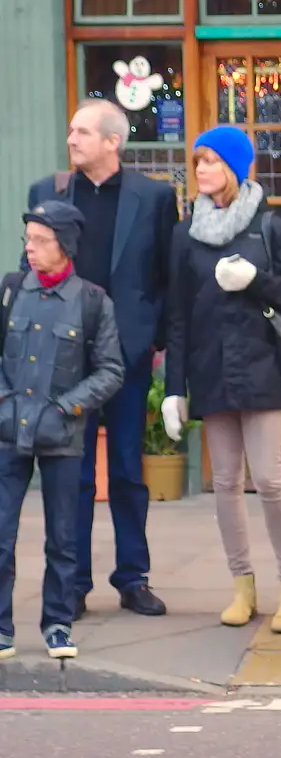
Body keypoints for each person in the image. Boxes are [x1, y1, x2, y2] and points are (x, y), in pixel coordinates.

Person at [28, 99, 177, 620]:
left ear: (113, 141)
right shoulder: (47, 193)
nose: (71, 139)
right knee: (73, 475)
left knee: (129, 472)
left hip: (128, 358)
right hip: (66, 361)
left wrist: (152, 340)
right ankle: (74, 584)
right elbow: (31, 265)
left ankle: (133, 577)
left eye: (83, 132)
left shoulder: (154, 198)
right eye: (70, 130)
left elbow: (166, 277)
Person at [162, 126, 281, 633]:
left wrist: (255, 280)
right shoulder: (185, 235)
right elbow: (177, 316)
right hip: (209, 368)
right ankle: (241, 584)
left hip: (261, 366)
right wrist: (174, 388)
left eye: (211, 162)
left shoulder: (270, 228)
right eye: (197, 161)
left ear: (236, 168)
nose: (201, 171)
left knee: (269, 480)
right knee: (225, 483)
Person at [0, 202, 124, 661]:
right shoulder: (11, 291)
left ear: (65, 247)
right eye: (27, 240)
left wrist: (69, 406)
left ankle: (57, 622)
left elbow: (112, 370)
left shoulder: (93, 302)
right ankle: (1, 628)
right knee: (1, 533)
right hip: (9, 431)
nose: (30, 250)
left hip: (63, 434)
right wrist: (4, 401)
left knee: (64, 535)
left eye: (40, 241)